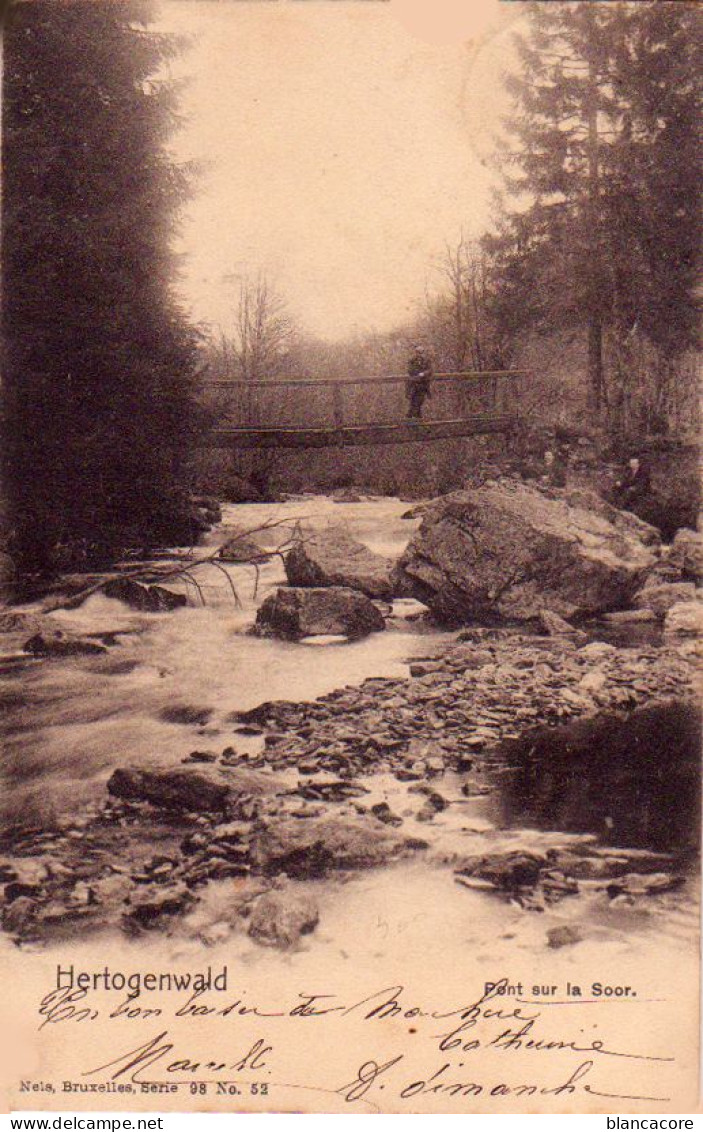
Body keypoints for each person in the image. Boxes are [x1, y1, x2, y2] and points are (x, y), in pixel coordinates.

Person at [406, 344, 432, 420]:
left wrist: (423, 373)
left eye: (421, 352)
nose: (419, 354)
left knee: (419, 402)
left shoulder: (427, 360)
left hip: (423, 385)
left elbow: (430, 370)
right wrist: (418, 373)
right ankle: (413, 419)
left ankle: (414, 419)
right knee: (413, 403)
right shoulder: (411, 360)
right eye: (417, 352)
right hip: (413, 385)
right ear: (415, 352)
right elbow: (410, 370)